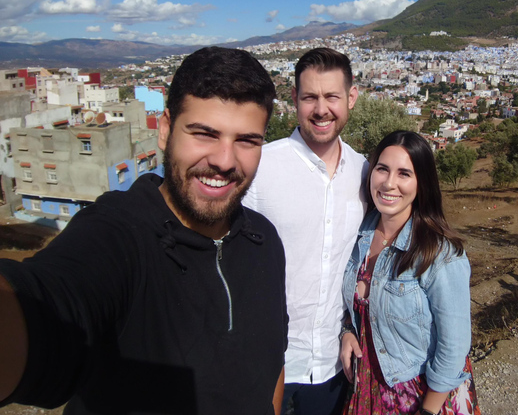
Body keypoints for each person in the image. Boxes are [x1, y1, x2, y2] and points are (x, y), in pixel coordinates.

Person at [0, 46, 288, 415]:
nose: (224, 161)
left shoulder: (264, 240)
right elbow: (50, 303)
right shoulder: (117, 234)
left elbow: (272, 360)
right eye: (204, 133)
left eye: (247, 141)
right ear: (165, 131)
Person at [242, 47, 367, 415]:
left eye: (332, 96)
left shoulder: (365, 173)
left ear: (351, 98)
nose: (321, 109)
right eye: (310, 97)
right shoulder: (262, 168)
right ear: (294, 99)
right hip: (265, 364)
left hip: (333, 367)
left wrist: (348, 326)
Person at [339, 131, 480, 415]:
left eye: (404, 173)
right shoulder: (358, 235)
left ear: (421, 184)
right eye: (382, 169)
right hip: (367, 392)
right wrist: (346, 332)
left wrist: (427, 411)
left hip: (421, 397)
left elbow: (453, 347)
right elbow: (353, 306)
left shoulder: (440, 255)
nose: (389, 183)